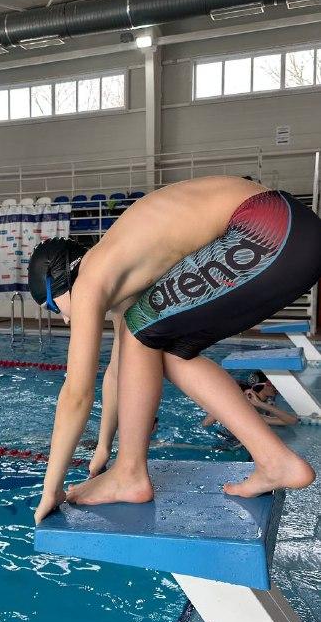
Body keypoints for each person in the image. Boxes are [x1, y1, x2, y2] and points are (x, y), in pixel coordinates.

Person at [28, 176, 321, 524]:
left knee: (141, 332)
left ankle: (130, 473)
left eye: (53, 306)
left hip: (269, 227)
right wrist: (104, 447)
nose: (64, 319)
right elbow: (118, 372)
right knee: (160, 344)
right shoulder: (124, 271)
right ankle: (274, 460)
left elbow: (77, 394)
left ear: (60, 280)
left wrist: (51, 488)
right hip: (292, 230)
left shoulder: (91, 276)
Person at [202, 380, 298, 429]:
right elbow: (206, 423)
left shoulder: (252, 415)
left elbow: (293, 421)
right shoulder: (237, 412)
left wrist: (260, 404)